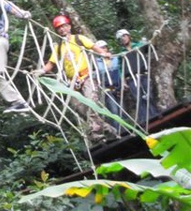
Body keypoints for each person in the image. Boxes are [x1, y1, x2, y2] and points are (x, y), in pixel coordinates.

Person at [34, 15, 118, 143]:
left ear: (69, 26)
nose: (62, 30)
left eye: (64, 26)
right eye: (59, 28)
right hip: (72, 82)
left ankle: (94, 133)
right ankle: (107, 129)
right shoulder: (58, 47)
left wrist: (103, 53)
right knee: (80, 109)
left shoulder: (78, 39)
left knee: (91, 104)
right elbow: (51, 63)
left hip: (86, 77)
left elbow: (93, 47)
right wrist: (41, 71)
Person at [115, 29, 160, 127]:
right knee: (138, 99)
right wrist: (123, 82)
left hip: (143, 75)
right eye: (120, 39)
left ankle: (155, 116)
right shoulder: (121, 55)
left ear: (129, 36)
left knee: (149, 96)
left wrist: (154, 36)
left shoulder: (139, 46)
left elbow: (151, 47)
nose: (122, 39)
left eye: (124, 36)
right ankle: (144, 120)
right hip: (131, 79)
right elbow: (120, 69)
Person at [94, 40, 123, 133]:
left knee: (122, 110)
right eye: (101, 48)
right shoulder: (96, 62)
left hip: (118, 87)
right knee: (114, 111)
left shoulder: (115, 58)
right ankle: (118, 132)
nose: (103, 49)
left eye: (104, 47)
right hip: (107, 89)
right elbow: (97, 74)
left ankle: (125, 130)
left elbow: (119, 70)